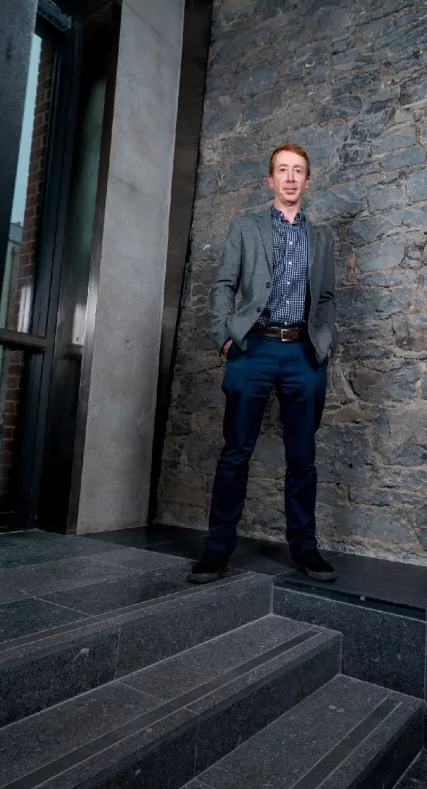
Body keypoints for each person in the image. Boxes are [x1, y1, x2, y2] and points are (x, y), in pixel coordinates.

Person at [190, 143, 338, 584]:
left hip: (303, 353)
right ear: (270, 179)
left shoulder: (322, 238)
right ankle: (217, 549)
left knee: (303, 458)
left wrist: (325, 343)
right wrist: (224, 338)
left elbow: (327, 298)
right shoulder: (245, 226)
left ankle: (305, 548)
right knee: (236, 453)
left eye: (298, 171)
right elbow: (224, 284)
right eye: (282, 170)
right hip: (252, 349)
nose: (290, 178)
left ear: (308, 181)